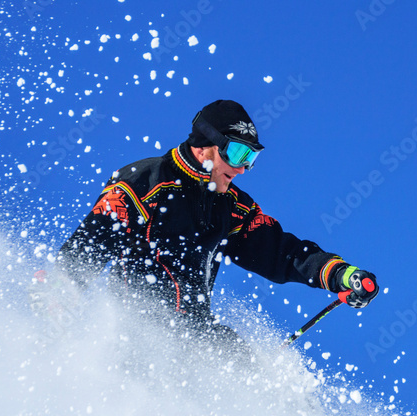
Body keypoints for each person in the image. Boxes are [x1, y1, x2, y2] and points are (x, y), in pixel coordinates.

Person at [31, 99, 378, 354]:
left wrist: (338, 274)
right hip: (137, 338)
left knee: (259, 375)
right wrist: (61, 288)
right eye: (239, 155)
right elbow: (93, 240)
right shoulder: (146, 182)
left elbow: (280, 252)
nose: (242, 169)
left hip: (195, 336)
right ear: (206, 145)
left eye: (251, 160)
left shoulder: (230, 206)